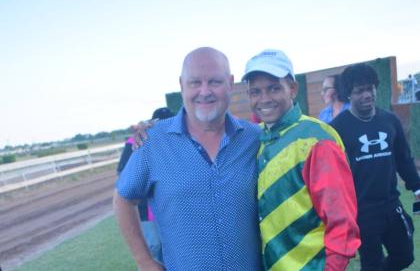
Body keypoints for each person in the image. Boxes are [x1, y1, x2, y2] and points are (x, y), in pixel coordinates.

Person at [113, 47, 262, 270]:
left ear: (230, 83)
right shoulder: (153, 142)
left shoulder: (255, 138)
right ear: (181, 85)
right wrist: (144, 260)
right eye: (195, 83)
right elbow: (123, 199)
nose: (204, 91)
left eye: (214, 81)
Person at [242, 49, 360, 270]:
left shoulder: (317, 139)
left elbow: (341, 221)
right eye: (255, 91)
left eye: (274, 88)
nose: (264, 99)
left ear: (292, 89)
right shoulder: (253, 138)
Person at [330, 63, 420, 271]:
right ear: (348, 95)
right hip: (361, 211)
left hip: (391, 203)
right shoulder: (337, 129)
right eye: (359, 91)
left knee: (405, 256)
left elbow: (403, 158)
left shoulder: (390, 120)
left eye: (370, 88)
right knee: (372, 264)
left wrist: (417, 187)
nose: (367, 95)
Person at [116, 107, 174, 264]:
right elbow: (123, 173)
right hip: (146, 207)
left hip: (169, 207)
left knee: (168, 248)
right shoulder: (138, 141)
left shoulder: (176, 141)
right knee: (154, 246)